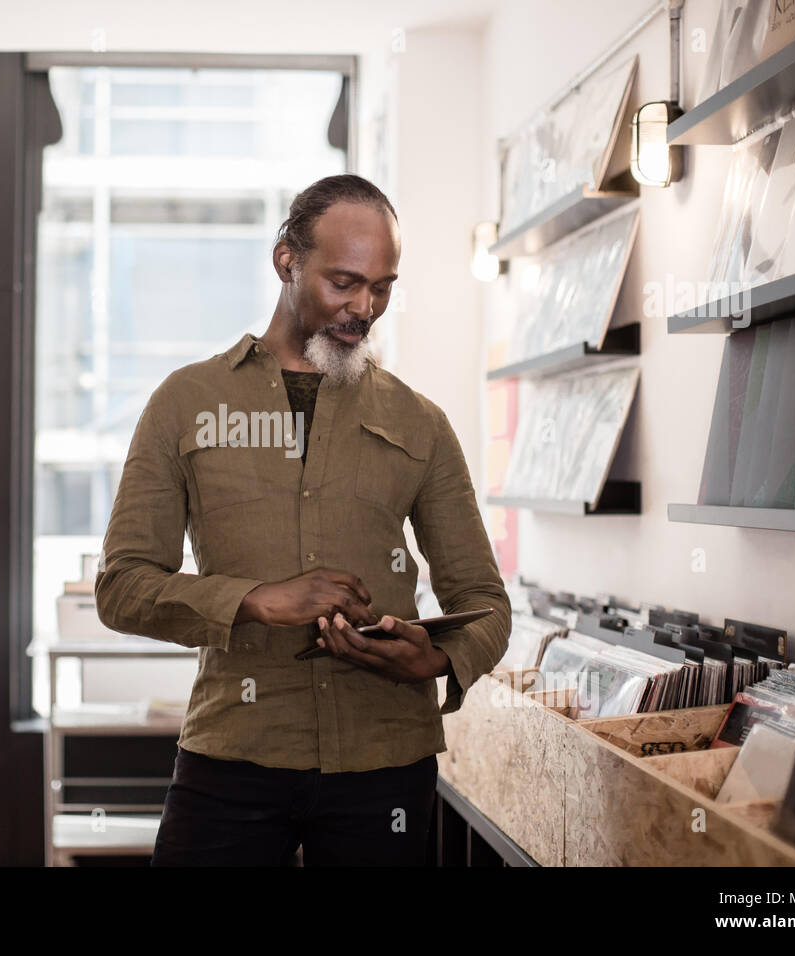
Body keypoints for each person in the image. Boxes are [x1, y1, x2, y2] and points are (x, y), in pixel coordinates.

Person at [95, 173, 511, 866]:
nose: (364, 308)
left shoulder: (421, 423)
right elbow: (123, 586)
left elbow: (486, 604)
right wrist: (257, 601)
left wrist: (436, 658)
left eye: (382, 287)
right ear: (286, 260)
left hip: (387, 771)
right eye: (344, 282)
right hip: (232, 758)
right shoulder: (185, 402)